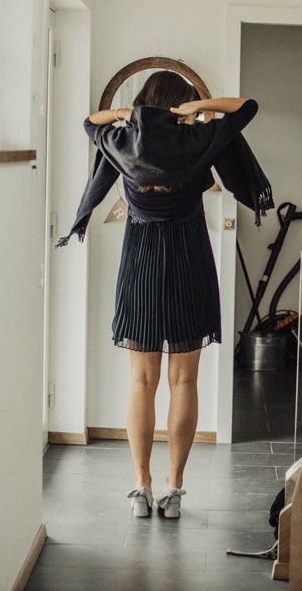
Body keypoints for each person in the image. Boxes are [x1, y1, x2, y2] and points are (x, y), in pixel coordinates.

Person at [58, 70, 272, 519]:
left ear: (143, 102)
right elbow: (247, 106)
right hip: (189, 256)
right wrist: (196, 110)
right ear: (179, 104)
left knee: (141, 380)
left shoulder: (122, 142)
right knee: (184, 381)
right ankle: (175, 488)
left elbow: (88, 123)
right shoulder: (197, 141)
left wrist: (127, 114)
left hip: (140, 260)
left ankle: (141, 485)